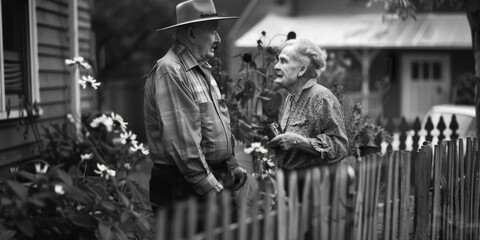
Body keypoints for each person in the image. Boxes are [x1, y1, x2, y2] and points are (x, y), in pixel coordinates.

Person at [143, 0, 247, 214]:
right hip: (184, 185)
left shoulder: (200, 70)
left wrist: (231, 165)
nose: (217, 39)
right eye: (212, 31)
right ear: (191, 34)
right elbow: (184, 147)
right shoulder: (171, 71)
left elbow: (218, 125)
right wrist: (214, 191)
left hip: (206, 177)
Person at [267, 38, 349, 171]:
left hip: (312, 186)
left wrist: (298, 142)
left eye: (283, 61)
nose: (276, 66)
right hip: (290, 184)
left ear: (302, 69)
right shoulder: (290, 98)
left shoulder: (321, 97)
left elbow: (340, 147)